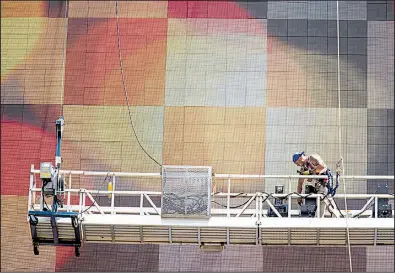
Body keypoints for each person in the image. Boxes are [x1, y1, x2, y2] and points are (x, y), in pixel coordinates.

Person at [292, 151, 340, 218]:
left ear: (300, 158)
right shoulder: (303, 169)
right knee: (321, 206)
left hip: (324, 185)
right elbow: (300, 183)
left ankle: (338, 219)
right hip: (318, 189)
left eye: (297, 163)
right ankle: (319, 224)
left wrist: (309, 173)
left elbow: (322, 167)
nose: (297, 165)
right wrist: (299, 196)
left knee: (329, 204)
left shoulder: (311, 158)